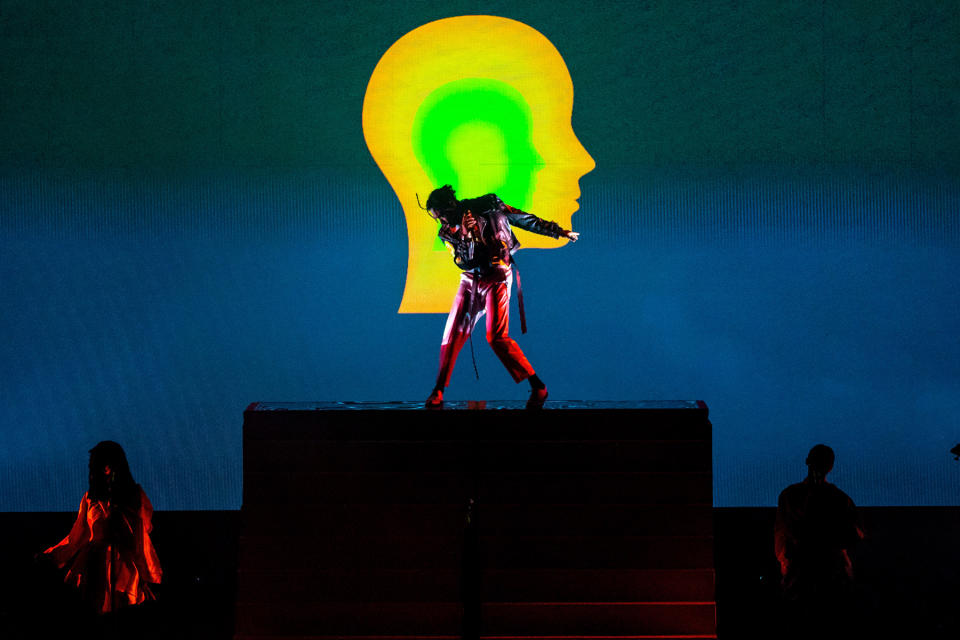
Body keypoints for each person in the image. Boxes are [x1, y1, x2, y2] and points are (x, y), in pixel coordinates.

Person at [423, 185, 578, 409]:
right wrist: (466, 234)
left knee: (496, 337)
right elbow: (465, 262)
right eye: (437, 219)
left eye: (442, 215)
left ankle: (538, 387)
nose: (441, 222)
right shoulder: (447, 233)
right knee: (452, 333)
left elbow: (523, 219)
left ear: (450, 206)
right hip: (470, 280)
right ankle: (437, 391)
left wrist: (558, 231)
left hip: (496, 275)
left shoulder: (489, 205)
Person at [42, 441, 162, 615]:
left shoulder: (134, 496)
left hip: (123, 571)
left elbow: (141, 538)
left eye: (95, 465)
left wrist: (148, 575)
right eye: (91, 466)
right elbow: (76, 538)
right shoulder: (90, 499)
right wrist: (51, 556)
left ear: (109, 467)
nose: (91, 470)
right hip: (93, 566)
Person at [775, 444, 864, 635]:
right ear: (830, 467)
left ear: (807, 461)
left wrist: (786, 565)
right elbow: (854, 535)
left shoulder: (789, 496)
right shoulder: (839, 499)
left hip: (805, 576)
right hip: (826, 576)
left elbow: (781, 535)